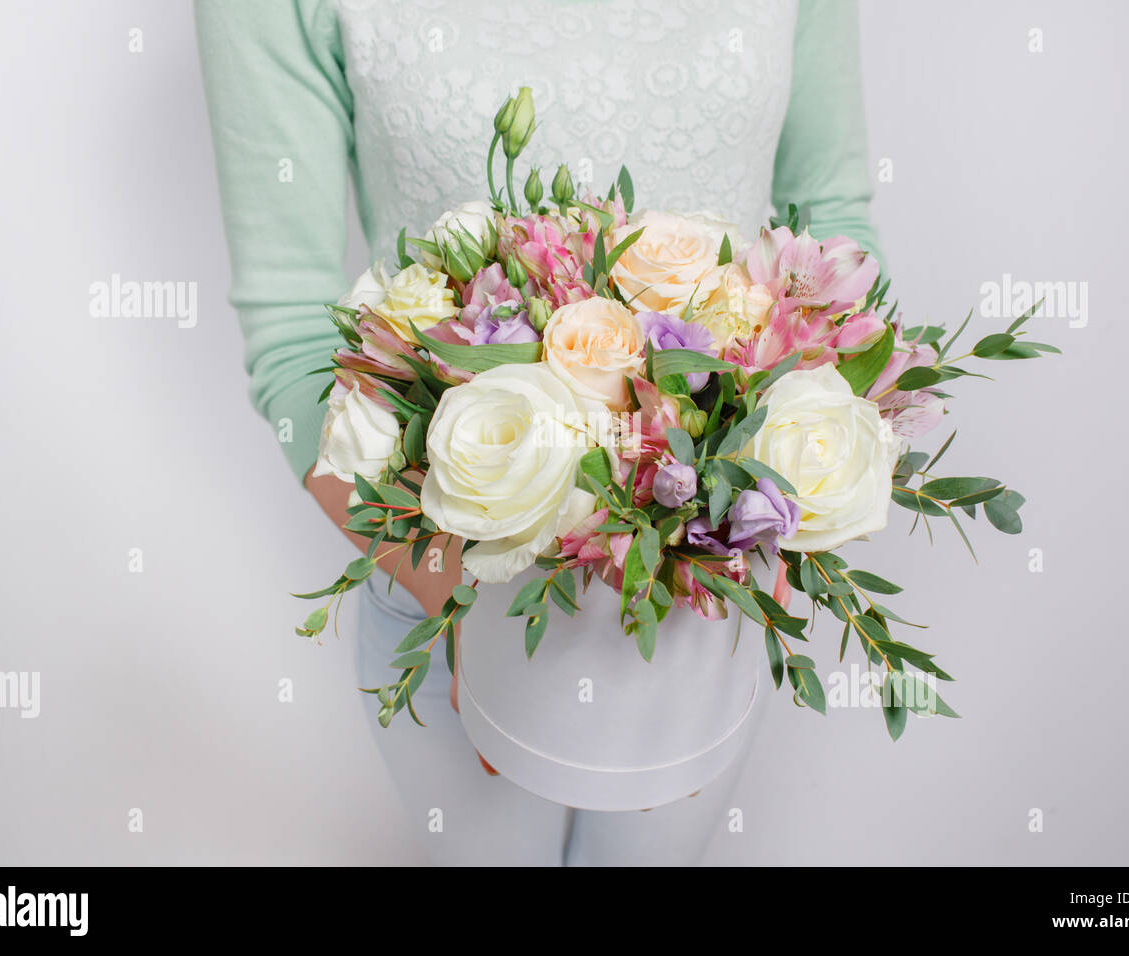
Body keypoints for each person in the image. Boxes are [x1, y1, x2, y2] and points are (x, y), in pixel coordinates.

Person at [196, 0, 882, 866]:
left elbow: (833, 230)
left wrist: (764, 550)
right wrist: (466, 609)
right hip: (442, 587)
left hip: (711, 598)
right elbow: (293, 325)